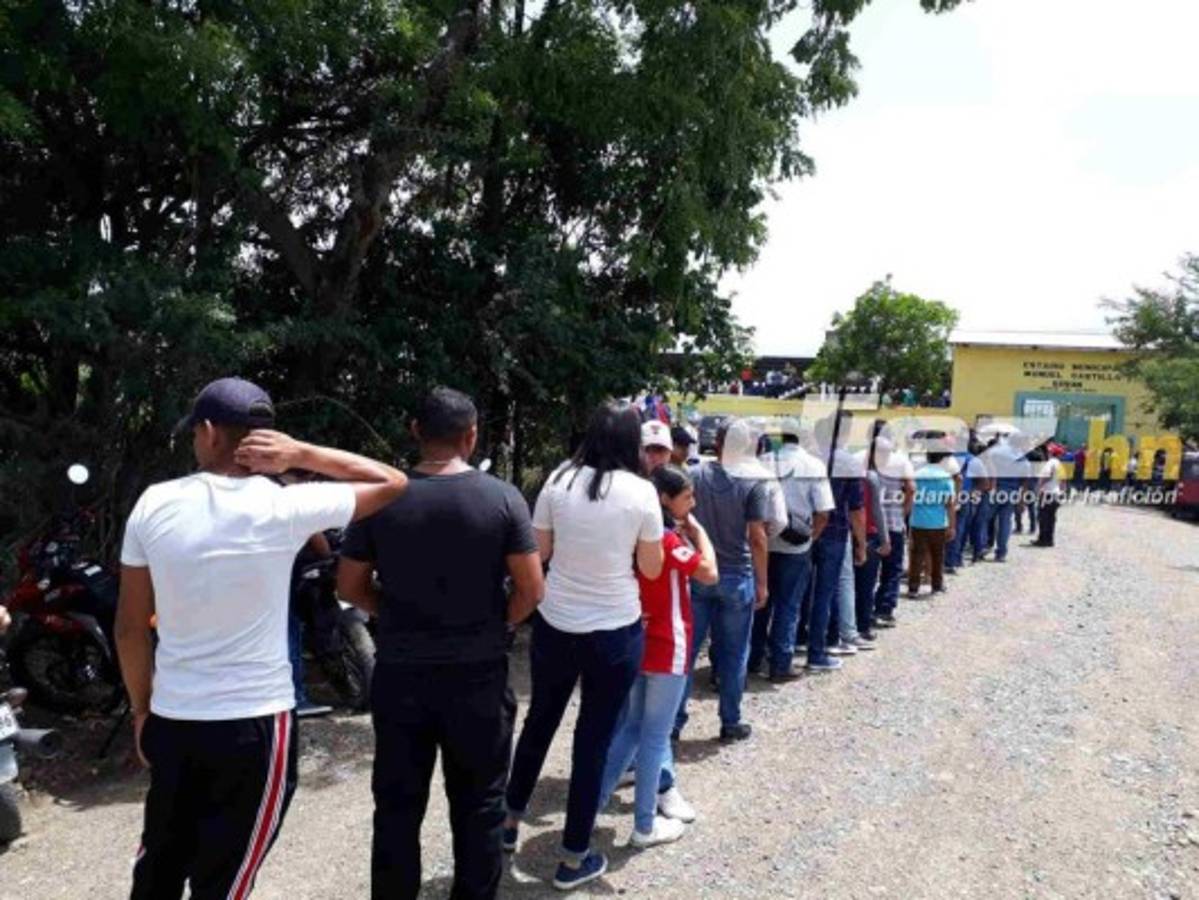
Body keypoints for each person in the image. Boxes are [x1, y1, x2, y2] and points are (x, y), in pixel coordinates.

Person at [115, 377, 408, 900]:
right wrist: (303, 453)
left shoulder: (153, 503)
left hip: (176, 716)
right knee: (225, 879)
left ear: (207, 432)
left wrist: (142, 711)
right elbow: (391, 481)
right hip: (257, 724)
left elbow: (131, 627)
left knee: (159, 862)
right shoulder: (285, 506)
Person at [336, 387, 544, 900]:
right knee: (479, 805)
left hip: (402, 673)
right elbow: (531, 588)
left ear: (415, 432)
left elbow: (348, 585)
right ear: (470, 437)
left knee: (397, 806)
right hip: (478, 674)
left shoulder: (381, 500)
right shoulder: (502, 498)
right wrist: (498, 624)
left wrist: (392, 612)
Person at [504, 402, 664, 891]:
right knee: (593, 741)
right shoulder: (642, 491)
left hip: (557, 622)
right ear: (631, 442)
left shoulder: (558, 480)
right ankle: (574, 857)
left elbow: (541, 553)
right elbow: (652, 569)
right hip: (615, 629)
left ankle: (507, 824)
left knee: (539, 723)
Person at [598, 466, 718, 848]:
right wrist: (700, 534)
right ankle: (645, 826)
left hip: (637, 640)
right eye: (687, 497)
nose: (693, 503)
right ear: (665, 500)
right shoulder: (666, 539)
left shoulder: (630, 535)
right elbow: (710, 573)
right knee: (653, 736)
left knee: (633, 727)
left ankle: (592, 803)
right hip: (669, 644)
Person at [674, 418, 776, 744]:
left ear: (716, 444)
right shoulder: (754, 483)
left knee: (687, 653)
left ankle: (673, 723)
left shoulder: (696, 474)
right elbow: (757, 537)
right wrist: (763, 583)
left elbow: (681, 519)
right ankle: (730, 721)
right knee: (734, 654)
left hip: (700, 572)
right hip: (737, 576)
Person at [749, 430, 832, 680]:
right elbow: (823, 511)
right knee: (788, 605)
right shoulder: (814, 465)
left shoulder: (764, 461)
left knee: (761, 603)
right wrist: (810, 538)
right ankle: (780, 663)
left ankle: (753, 658)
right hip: (796, 546)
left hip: (762, 541)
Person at [802, 412, 864, 672]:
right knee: (824, 594)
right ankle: (818, 651)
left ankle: (794, 641)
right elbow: (856, 508)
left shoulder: (809, 458)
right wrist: (861, 543)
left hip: (804, 531)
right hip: (835, 533)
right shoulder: (848, 462)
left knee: (800, 591)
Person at [869, 432, 914, 628]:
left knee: (867, 571)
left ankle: (864, 609)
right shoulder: (901, 462)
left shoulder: (864, 461)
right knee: (892, 569)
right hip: (893, 523)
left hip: (870, 526)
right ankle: (884, 610)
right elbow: (911, 488)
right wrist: (903, 512)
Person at [907, 450, 957, 597]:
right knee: (938, 555)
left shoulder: (916, 474)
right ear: (942, 459)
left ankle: (913, 588)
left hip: (918, 521)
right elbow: (950, 504)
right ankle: (936, 585)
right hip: (938, 522)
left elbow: (909, 494)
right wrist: (952, 526)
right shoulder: (945, 477)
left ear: (927, 457)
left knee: (916, 556)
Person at [853, 459, 892, 645]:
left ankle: (847, 626)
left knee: (847, 586)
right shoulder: (871, 477)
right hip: (867, 535)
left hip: (847, 535)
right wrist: (885, 539)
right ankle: (863, 626)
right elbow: (877, 510)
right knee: (866, 586)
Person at [1032, 446, 1064, 548]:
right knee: (1051, 518)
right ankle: (1049, 540)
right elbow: (1063, 481)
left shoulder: (1050, 463)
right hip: (1056, 493)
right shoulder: (1060, 464)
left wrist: (1039, 487)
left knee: (1043, 517)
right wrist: (1062, 492)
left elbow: (1047, 475)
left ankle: (1043, 539)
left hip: (1047, 493)